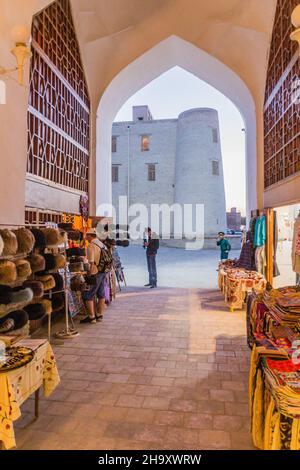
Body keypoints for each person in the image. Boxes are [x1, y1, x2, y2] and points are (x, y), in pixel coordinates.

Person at [80, 228, 107, 324]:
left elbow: (91, 262)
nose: (85, 237)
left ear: (90, 236)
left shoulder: (91, 246)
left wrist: (89, 274)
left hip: (96, 272)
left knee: (88, 294)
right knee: (101, 294)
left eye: (86, 235)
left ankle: (91, 317)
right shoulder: (102, 244)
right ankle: (99, 314)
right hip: (104, 271)